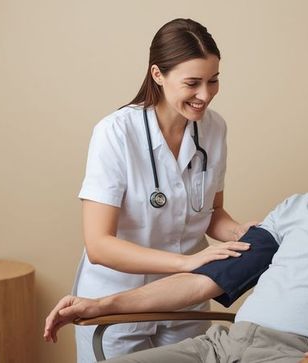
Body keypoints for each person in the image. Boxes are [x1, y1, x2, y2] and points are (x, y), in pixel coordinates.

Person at [45, 91, 308, 363]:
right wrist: (101, 306)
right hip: (220, 346)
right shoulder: (298, 209)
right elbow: (203, 282)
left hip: (303, 354)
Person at [69, 18, 255, 361]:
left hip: (185, 299)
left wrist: (245, 233)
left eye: (213, 81)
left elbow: (211, 214)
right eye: (192, 83)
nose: (205, 94)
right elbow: (99, 245)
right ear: (158, 75)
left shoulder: (213, 129)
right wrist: (187, 263)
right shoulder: (116, 133)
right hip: (120, 301)